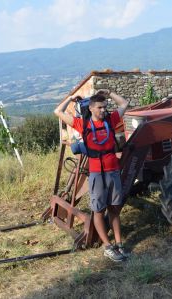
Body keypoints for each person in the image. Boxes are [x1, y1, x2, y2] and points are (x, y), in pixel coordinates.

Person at [54, 89, 129, 262]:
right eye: (100, 108)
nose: (104, 110)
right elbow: (58, 112)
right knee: (98, 210)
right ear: (92, 109)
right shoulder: (83, 124)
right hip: (96, 173)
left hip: (113, 171)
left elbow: (124, 104)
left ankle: (119, 244)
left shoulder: (111, 120)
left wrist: (110, 93)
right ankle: (107, 246)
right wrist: (70, 98)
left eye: (105, 107)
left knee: (115, 209)